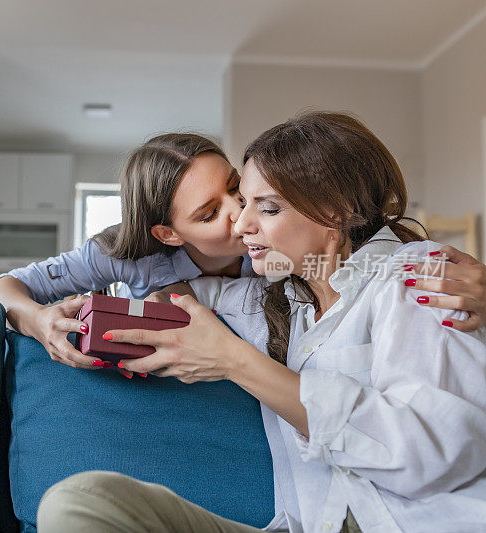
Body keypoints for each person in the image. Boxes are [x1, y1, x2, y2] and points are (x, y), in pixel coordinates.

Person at [36, 112, 486, 532]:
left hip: (414, 521)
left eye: (266, 208)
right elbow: (181, 293)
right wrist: (60, 316)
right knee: (80, 502)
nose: (242, 223)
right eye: (242, 201)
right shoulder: (277, 295)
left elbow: (430, 453)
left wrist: (236, 362)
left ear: (337, 211)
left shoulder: (421, 279)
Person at [0, 134, 486, 377]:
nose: (240, 215)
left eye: (235, 189)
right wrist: (38, 320)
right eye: (209, 214)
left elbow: (350, 263)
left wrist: (442, 272)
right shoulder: (121, 254)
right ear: (169, 233)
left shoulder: (279, 247)